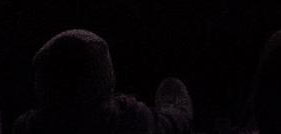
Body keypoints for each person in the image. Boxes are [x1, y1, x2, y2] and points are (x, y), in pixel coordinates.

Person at [16, 28, 194, 134]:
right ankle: (176, 113)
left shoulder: (28, 126)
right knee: (169, 123)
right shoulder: (134, 119)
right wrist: (178, 117)